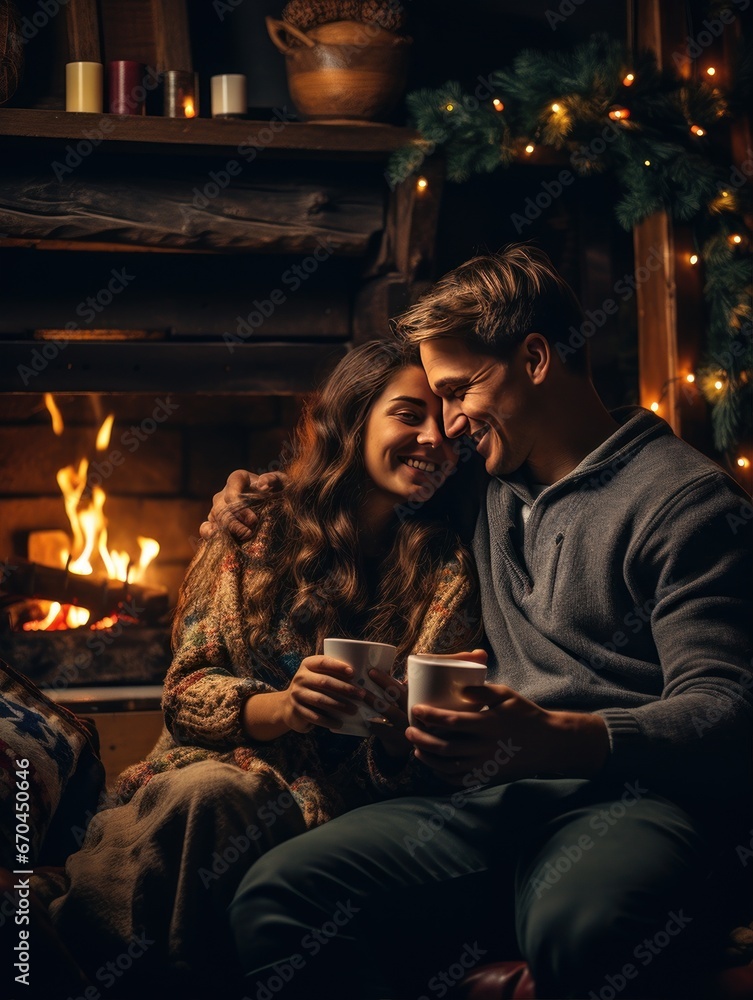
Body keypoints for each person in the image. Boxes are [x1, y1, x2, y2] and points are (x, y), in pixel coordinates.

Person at [218, 244, 753, 999]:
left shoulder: (687, 506)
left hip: (630, 801)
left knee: (584, 929)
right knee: (278, 894)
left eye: (458, 390)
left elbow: (727, 714)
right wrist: (253, 495)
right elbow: (353, 475)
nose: (448, 422)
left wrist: (560, 738)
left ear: (534, 358)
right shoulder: (478, 480)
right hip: (487, 803)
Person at [47, 340, 483, 996]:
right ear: (354, 421)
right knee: (211, 794)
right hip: (200, 776)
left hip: (335, 811)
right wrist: (283, 708)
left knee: (227, 805)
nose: (431, 439)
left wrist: (397, 734)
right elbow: (186, 689)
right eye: (406, 416)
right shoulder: (254, 528)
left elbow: (424, 752)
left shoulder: (445, 565)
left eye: (444, 427)